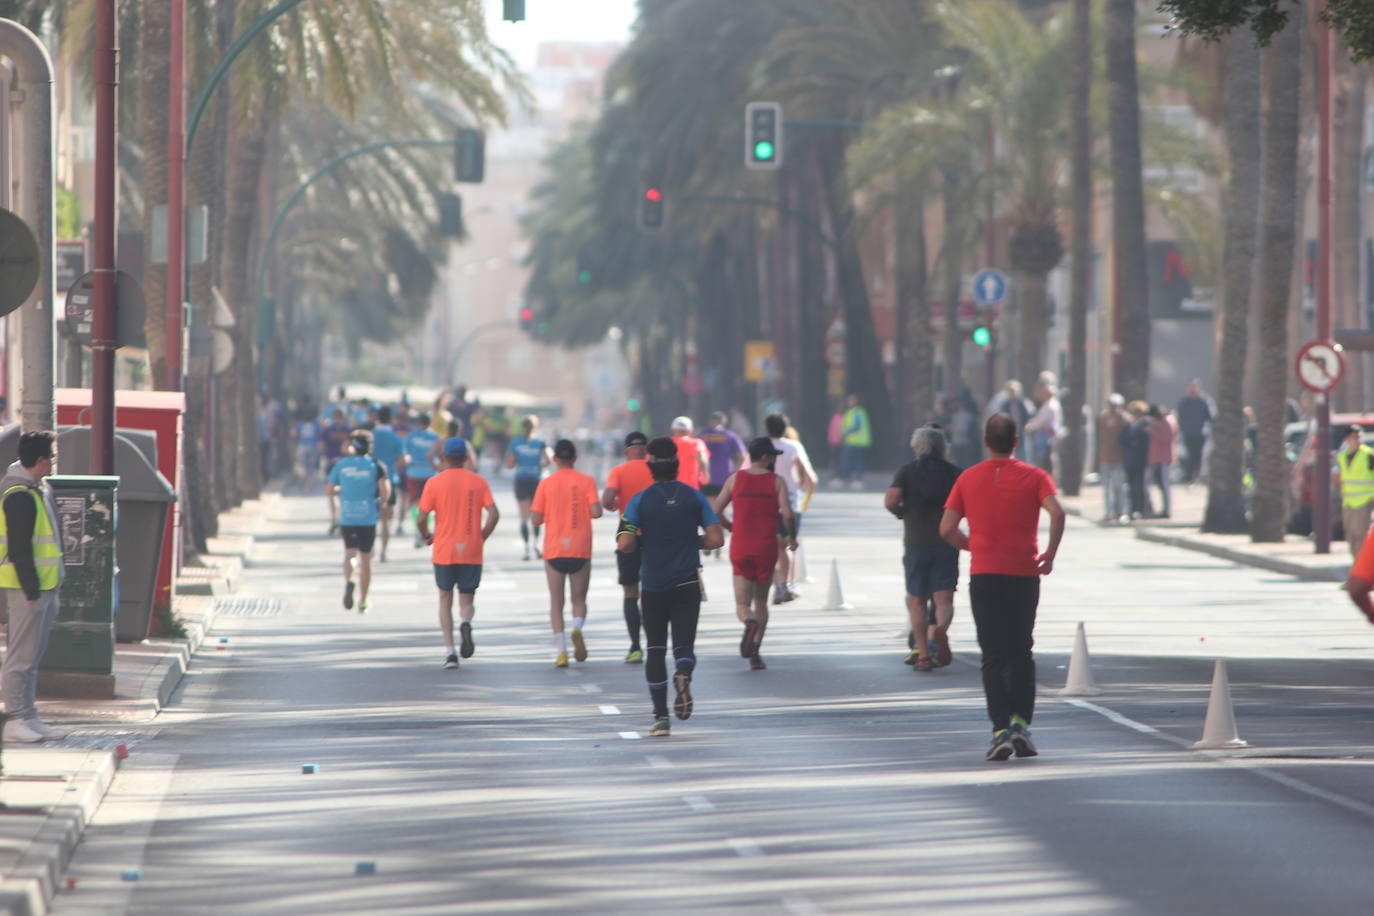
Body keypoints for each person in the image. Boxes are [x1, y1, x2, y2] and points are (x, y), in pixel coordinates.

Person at [940, 414, 1065, 762]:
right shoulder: (1035, 477)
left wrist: (972, 545)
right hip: (1023, 574)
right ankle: (1022, 725)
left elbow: (946, 528)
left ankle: (1000, 732)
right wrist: (1050, 555)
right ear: (1015, 442)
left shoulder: (968, 478)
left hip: (986, 575)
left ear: (985, 441)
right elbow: (1058, 512)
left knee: (992, 656)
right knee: (1022, 651)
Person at [618, 437, 725, 737]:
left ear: (650, 467)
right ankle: (683, 672)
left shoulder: (639, 500)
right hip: (687, 582)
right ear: (677, 466)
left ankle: (660, 718)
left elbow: (625, 542)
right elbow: (717, 539)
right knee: (683, 646)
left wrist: (644, 541)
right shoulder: (693, 497)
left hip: (653, 584)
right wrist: (693, 541)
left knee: (654, 649)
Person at [0, 431, 67, 742]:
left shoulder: (37, 490)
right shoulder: (19, 495)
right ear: (41, 460)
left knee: (33, 655)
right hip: (26, 588)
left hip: (43, 586)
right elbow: (20, 548)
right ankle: (14, 718)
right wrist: (30, 591)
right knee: (21, 657)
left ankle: (28, 714)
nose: (53, 462)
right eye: (51, 457)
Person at [712, 437, 794, 671]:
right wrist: (792, 537)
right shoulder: (776, 482)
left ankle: (748, 622)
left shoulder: (735, 479)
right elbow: (788, 514)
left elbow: (715, 509)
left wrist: (730, 526)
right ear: (766, 457)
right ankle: (756, 653)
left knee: (742, 602)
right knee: (761, 602)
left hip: (741, 546)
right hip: (766, 548)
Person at [417, 437, 499, 669]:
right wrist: (482, 535)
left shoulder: (434, 483)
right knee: (467, 596)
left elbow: (422, 517)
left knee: (444, 598)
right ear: (465, 458)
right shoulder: (478, 482)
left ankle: (450, 652)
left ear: (443, 457)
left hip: (444, 548)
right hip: (471, 548)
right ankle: (466, 621)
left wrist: (426, 535)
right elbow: (493, 514)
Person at [886, 426, 962, 673]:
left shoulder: (907, 472)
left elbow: (891, 500)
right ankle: (937, 633)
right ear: (943, 447)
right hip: (947, 542)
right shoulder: (954, 473)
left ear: (917, 447)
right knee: (944, 599)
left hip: (916, 543)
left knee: (916, 601)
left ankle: (924, 655)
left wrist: (902, 513)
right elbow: (969, 503)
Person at [531, 439, 603, 667]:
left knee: (556, 600)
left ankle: (561, 651)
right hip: (580, 547)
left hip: (554, 548)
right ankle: (577, 628)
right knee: (579, 598)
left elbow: (535, 519)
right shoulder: (587, 481)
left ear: (554, 460)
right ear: (574, 458)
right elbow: (596, 512)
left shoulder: (545, 484)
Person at [603, 431, 655, 662]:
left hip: (628, 531)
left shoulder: (618, 471)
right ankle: (655, 643)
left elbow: (607, 500)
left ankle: (635, 647)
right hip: (656, 532)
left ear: (626, 451)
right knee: (653, 591)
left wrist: (615, 505)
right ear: (646, 450)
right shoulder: (655, 468)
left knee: (630, 591)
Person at [326, 430, 390, 613]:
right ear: (370, 446)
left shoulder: (342, 465)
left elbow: (329, 489)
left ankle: (350, 579)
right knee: (367, 559)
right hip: (367, 517)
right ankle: (363, 600)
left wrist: (342, 490)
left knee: (350, 554)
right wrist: (382, 502)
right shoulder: (376, 466)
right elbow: (384, 491)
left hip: (347, 516)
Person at [766, 412, 816, 604]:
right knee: (785, 546)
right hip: (791, 502)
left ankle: (776, 584)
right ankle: (784, 585)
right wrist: (805, 495)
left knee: (770, 547)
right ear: (785, 429)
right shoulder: (794, 446)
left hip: (765, 502)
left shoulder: (761, 446)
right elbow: (810, 477)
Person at [506, 415, 551, 561]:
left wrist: (522, 462)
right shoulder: (540, 442)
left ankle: (526, 549)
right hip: (536, 480)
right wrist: (537, 466)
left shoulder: (515, 443)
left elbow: (510, 464)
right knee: (536, 514)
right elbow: (549, 460)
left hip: (521, 479)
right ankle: (536, 545)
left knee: (524, 516)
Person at [370, 405, 405, 561]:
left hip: (369, 480)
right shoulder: (396, 438)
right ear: (391, 420)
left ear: (377, 418)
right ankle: (383, 551)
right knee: (386, 518)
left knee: (370, 517)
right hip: (390, 480)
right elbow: (402, 461)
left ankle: (369, 548)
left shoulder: (370, 436)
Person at [401, 413, 440, 545]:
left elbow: (405, 453)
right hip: (430, 473)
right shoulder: (435, 437)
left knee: (414, 502)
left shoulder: (411, 436)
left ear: (418, 423)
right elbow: (439, 455)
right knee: (429, 504)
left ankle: (418, 529)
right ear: (430, 423)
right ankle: (425, 529)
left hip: (413, 472)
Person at [1338, 425, 1374, 559]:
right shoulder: (1342, 457)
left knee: (1362, 538)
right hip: (1348, 503)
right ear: (1347, 439)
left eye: (1360, 436)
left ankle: (1363, 574)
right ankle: (1357, 568)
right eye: (1355, 437)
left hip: (1365, 502)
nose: (1358, 440)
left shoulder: (1368, 455)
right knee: (1351, 537)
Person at [698, 411, 747, 499]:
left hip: (705, 478)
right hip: (725, 477)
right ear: (723, 423)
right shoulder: (731, 436)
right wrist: (735, 473)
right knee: (721, 507)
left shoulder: (701, 436)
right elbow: (742, 457)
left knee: (710, 507)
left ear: (710, 421)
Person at [1096, 394, 1129, 523]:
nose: (1113, 408)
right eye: (1111, 405)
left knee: (1119, 487)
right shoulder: (1104, 418)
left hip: (1119, 459)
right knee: (1107, 488)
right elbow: (1098, 423)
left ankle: (1121, 512)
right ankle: (1109, 513)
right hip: (1106, 458)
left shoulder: (1124, 419)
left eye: (1115, 406)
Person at [319, 407, 352, 534]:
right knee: (345, 492)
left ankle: (334, 519)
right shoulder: (349, 431)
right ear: (344, 417)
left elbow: (321, 446)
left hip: (331, 464)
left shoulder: (327, 430)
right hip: (346, 465)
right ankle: (343, 518)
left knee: (331, 493)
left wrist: (326, 454)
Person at [1176, 379, 1213, 484]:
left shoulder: (1204, 402)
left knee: (1198, 455)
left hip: (1200, 434)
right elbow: (1180, 416)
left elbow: (1210, 416)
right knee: (1189, 455)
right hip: (1188, 433)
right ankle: (1189, 476)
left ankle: (1196, 475)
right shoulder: (1185, 402)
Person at [1024, 378, 1061, 478]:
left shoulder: (1049, 406)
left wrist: (1028, 426)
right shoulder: (1055, 404)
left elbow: (1039, 421)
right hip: (1051, 436)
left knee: (1044, 461)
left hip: (1046, 437)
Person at [1147, 404, 1177, 519]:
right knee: (1160, 485)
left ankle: (1167, 510)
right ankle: (1163, 509)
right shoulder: (1160, 423)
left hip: (1164, 458)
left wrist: (1152, 431)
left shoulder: (1167, 422)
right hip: (1157, 458)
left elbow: (1165, 439)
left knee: (1165, 485)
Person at [838, 393, 872, 488]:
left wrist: (845, 432)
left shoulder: (856, 412)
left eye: (851, 400)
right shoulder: (851, 412)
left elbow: (856, 426)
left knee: (850, 460)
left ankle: (848, 478)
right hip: (854, 441)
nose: (849, 402)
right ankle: (855, 478)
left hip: (855, 441)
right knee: (856, 460)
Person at [669, 416, 710, 489]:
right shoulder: (696, 443)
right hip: (689, 489)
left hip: (668, 488)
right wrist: (705, 477)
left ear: (673, 430)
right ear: (690, 431)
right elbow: (702, 461)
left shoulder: (665, 443)